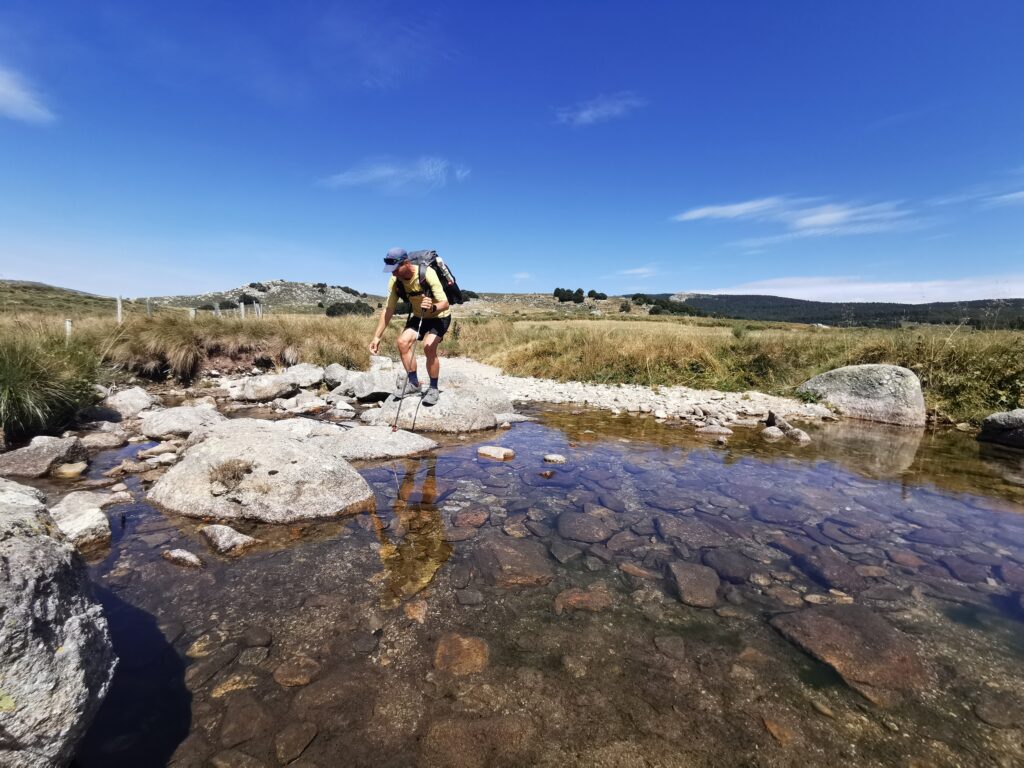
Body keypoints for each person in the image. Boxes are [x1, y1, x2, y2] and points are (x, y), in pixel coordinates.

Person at [368, 247, 451, 406]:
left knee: (428, 347)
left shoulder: (427, 273)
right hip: (419, 316)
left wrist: (433, 307)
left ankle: (433, 388)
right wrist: (377, 337)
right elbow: (389, 309)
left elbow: (445, 304)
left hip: (439, 317)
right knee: (402, 343)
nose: (393, 273)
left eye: (396, 269)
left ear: (406, 263)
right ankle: (413, 384)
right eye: (391, 270)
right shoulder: (395, 280)